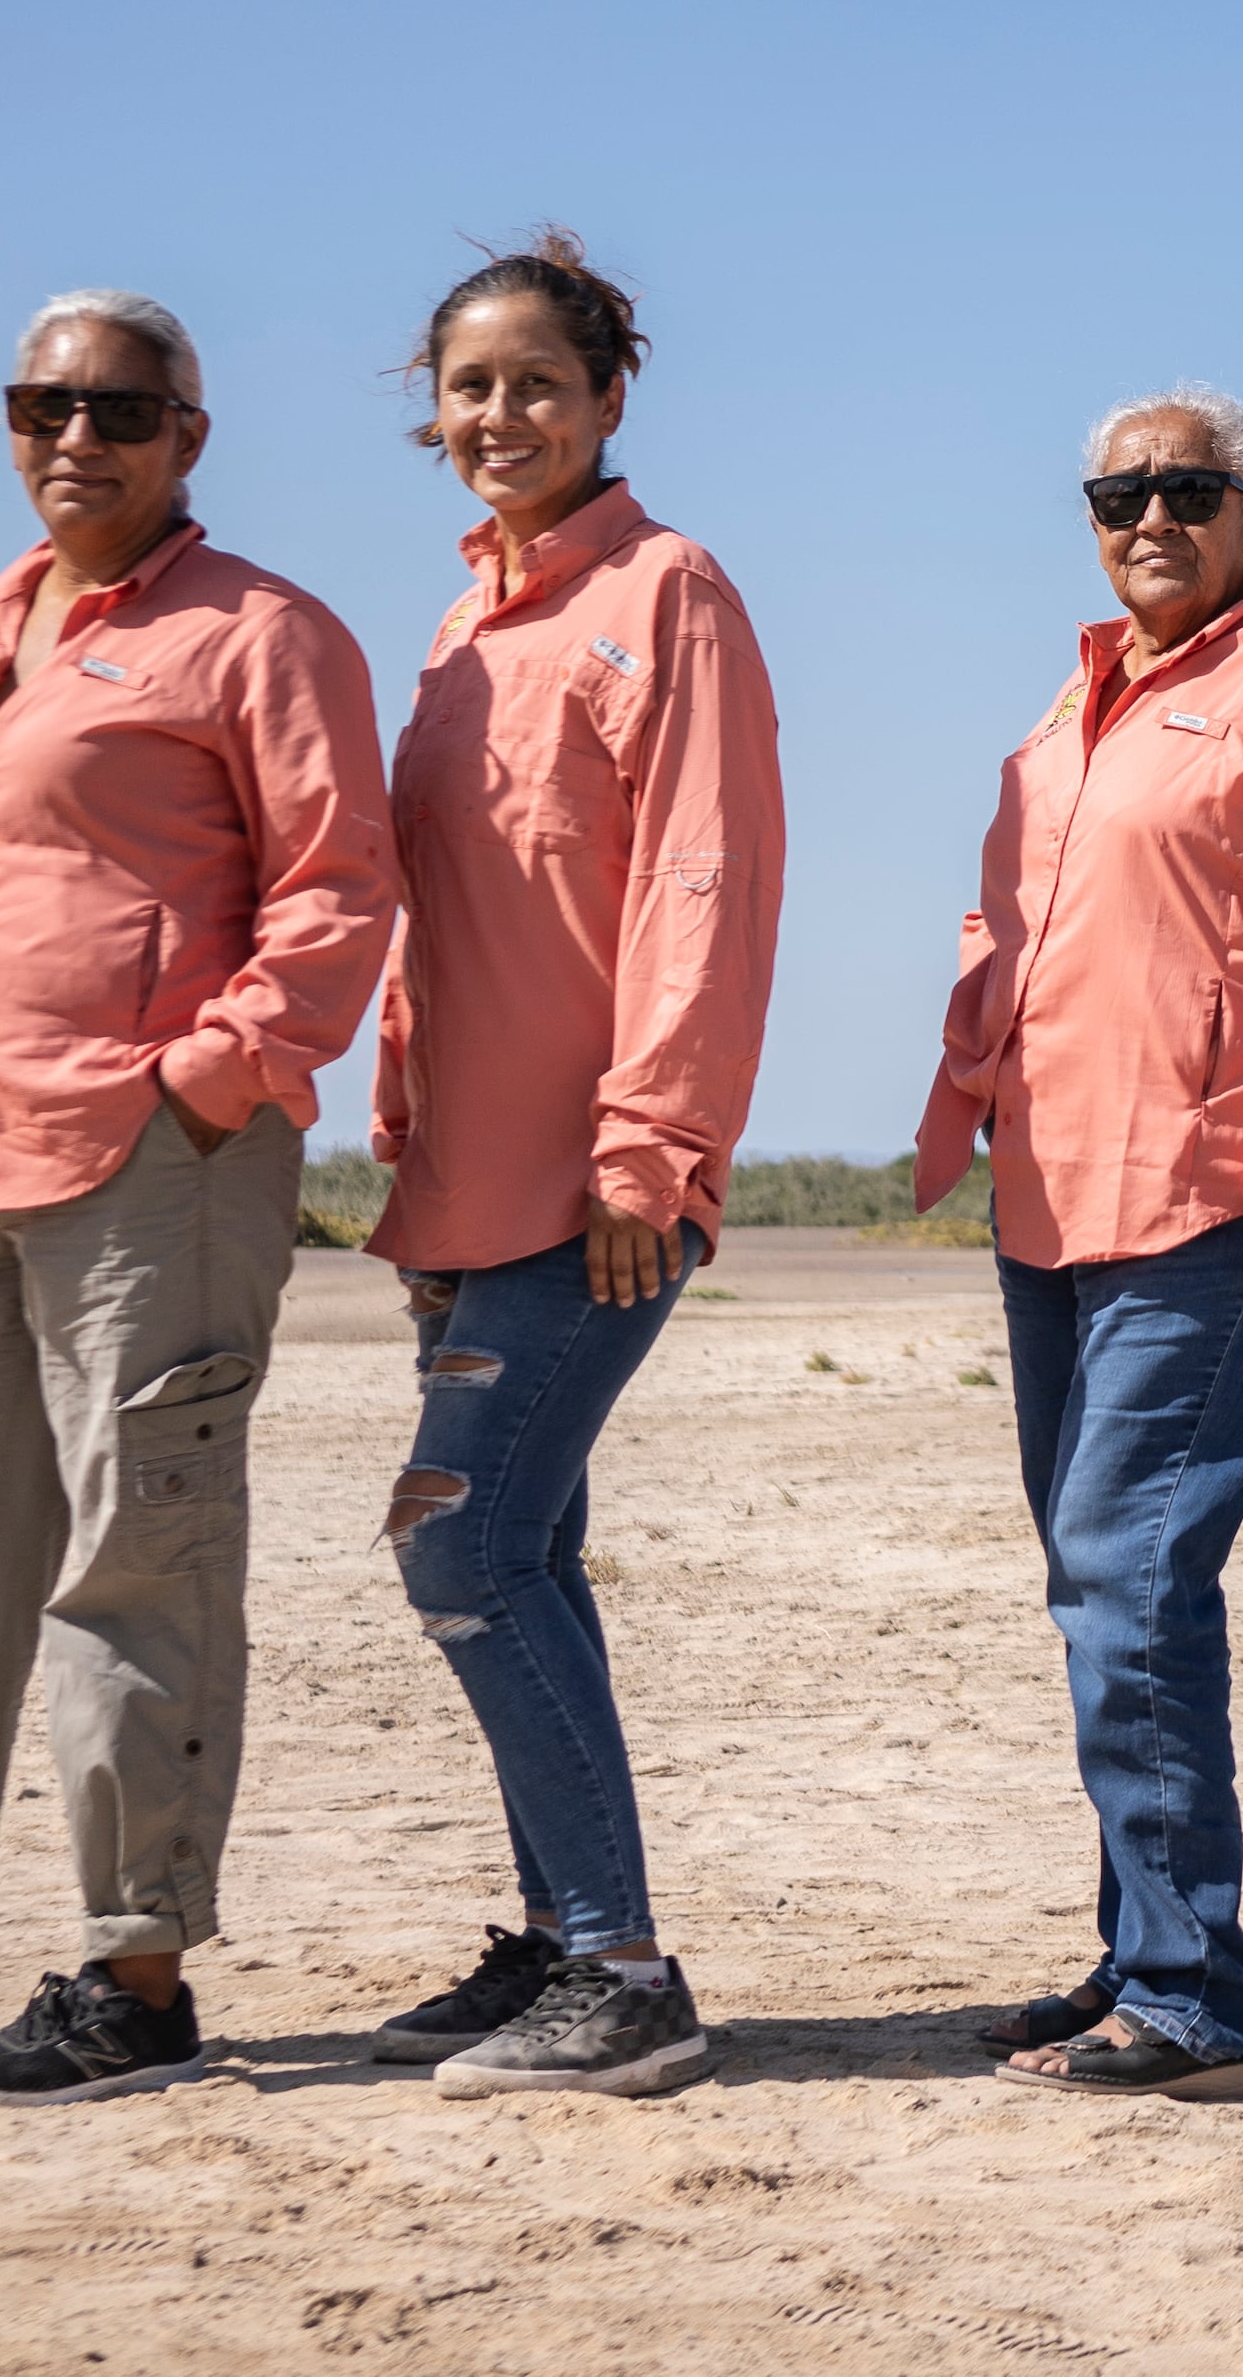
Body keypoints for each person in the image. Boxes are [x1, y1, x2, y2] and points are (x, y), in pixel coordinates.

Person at [0, 290, 395, 2105]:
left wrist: (203, 1082)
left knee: (139, 1552)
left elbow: (338, 888)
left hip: (153, 1166)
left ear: (187, 437)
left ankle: (135, 1973)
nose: (79, 436)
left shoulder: (262, 633)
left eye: (121, 410)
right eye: (43, 402)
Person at [919, 386, 1243, 2102]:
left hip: (1227, 1201)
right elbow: (1014, 929)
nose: (1149, 514)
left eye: (1187, 488)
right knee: (1097, 1590)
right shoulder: (1077, 702)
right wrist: (964, 1099)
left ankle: (1197, 1993)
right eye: (1116, 492)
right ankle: (1138, 1951)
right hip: (1055, 1203)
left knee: (1129, 1572)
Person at [352, 235, 786, 2101]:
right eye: (471, 385)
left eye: (539, 380)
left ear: (612, 397)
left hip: (598, 1188)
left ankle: (624, 1970)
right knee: (532, 1547)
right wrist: (400, 1137)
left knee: (456, 1540)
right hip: (464, 1186)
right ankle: (555, 1936)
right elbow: (431, 919)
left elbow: (703, 877)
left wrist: (653, 1143)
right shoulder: (462, 630)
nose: (502, 414)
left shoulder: (669, 591)